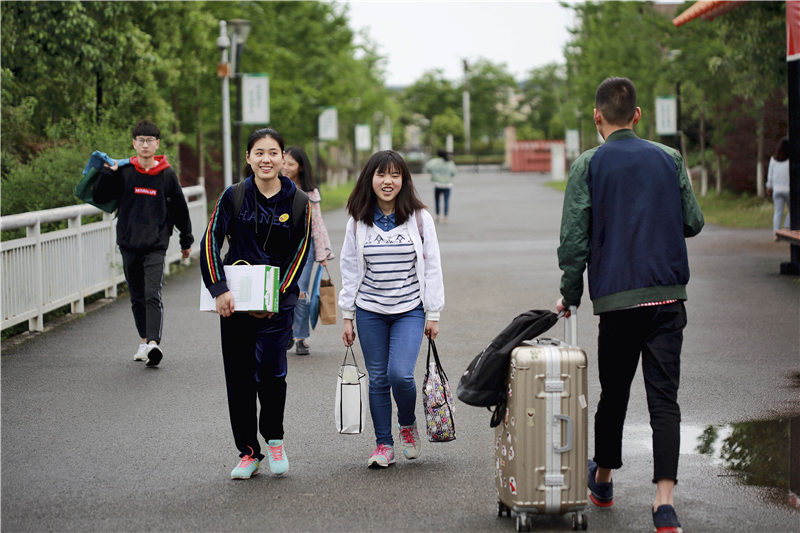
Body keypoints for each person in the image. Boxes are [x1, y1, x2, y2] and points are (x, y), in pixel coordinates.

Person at [555, 77, 704, 533]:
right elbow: (693, 222)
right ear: (637, 115)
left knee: (613, 392)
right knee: (665, 400)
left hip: (618, 302)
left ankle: (603, 479)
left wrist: (570, 292)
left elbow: (574, 239)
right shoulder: (670, 158)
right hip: (667, 298)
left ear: (597, 116)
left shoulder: (589, 164)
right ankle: (664, 503)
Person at [200, 128, 310, 480]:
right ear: (248, 157)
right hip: (236, 302)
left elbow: (301, 252)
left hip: (279, 303)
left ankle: (274, 438)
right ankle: (248, 452)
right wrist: (218, 289)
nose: (266, 159)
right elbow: (210, 242)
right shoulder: (233, 197)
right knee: (240, 378)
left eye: (273, 152)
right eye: (259, 152)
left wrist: (275, 296)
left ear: (283, 159)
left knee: (272, 373)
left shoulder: (299, 202)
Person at [339, 150, 444, 468]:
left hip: (409, 309)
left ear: (404, 180)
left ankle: (408, 425)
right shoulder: (358, 222)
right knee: (379, 378)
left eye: (395, 175)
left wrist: (433, 312)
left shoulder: (419, 218)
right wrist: (347, 315)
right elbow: (350, 269)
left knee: (400, 374)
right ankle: (383, 445)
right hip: (370, 309)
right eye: (381, 174)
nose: (388, 181)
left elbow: (433, 266)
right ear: (369, 179)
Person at [93, 119, 194, 367]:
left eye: (150, 140)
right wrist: (107, 172)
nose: (145, 144)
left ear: (157, 144)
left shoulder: (167, 175)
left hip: (155, 244)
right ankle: (144, 340)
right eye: (141, 140)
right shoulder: (125, 171)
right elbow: (100, 197)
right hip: (129, 243)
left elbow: (180, 209)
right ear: (134, 143)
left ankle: (153, 343)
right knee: (137, 296)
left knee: (152, 293)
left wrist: (186, 239)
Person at [282, 146, 334, 356]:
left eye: (290, 164)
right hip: (280, 249)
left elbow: (317, 223)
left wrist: (322, 253)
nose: (285, 167)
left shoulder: (310, 192)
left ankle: (300, 337)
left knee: (301, 291)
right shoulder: (274, 187)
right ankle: (285, 329)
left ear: (301, 167)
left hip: (305, 248)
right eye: (283, 162)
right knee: (282, 290)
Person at [766, 136, 790, 241]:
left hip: (777, 190)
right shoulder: (790, 160)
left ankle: (776, 233)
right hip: (788, 190)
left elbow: (770, 175)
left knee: (778, 211)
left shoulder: (773, 160)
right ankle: (786, 226)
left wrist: (769, 187)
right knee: (793, 210)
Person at [424, 149, 456, 223]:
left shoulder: (434, 162)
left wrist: (434, 174)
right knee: (446, 201)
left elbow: (428, 167)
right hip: (447, 184)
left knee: (437, 200)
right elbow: (453, 172)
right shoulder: (450, 162)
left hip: (437, 184)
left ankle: (438, 216)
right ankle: (445, 216)